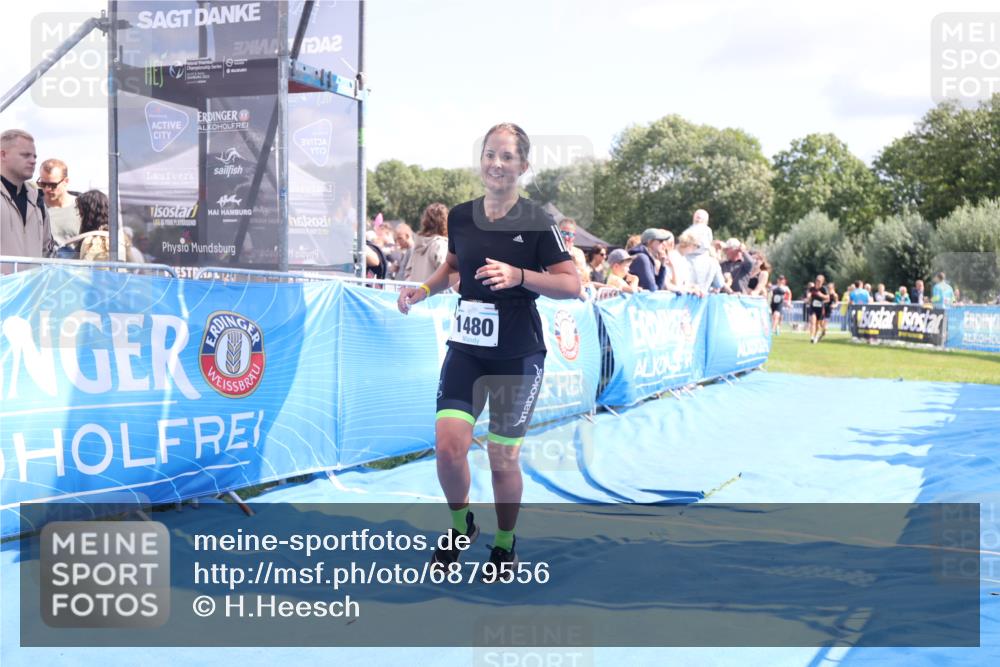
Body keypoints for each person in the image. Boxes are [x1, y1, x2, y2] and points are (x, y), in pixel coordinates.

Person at [396, 123, 579, 578]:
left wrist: (520, 276)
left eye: (506, 157)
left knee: (502, 458)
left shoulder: (537, 220)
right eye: (489, 155)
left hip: (518, 355)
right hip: (468, 349)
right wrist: (423, 289)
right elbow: (452, 267)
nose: (496, 164)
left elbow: (571, 284)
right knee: (448, 448)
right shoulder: (461, 216)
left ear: (523, 166)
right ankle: (462, 527)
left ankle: (504, 542)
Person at [1, 129, 53, 261]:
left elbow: (46, 249)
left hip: (34, 281)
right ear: (3, 155)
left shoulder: (37, 200)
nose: (33, 161)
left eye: (34, 156)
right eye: (25, 155)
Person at [37, 158, 80, 247]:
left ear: (66, 181)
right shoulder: (33, 207)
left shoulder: (83, 208)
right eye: (43, 184)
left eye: (53, 185)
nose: (47, 189)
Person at [408, 202, 450, 285]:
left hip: (417, 294)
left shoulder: (417, 244)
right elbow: (446, 273)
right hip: (435, 294)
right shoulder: (440, 245)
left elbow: (408, 272)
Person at [558, 217, 591, 297]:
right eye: (564, 233)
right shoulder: (551, 250)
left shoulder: (579, 253)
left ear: (574, 236)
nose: (567, 237)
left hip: (580, 289)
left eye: (570, 234)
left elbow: (585, 277)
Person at [807, 275, 830, 344]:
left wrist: (821, 295)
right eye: (817, 280)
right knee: (813, 322)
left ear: (822, 282)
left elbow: (828, 298)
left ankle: (816, 336)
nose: (818, 282)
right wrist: (808, 297)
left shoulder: (824, 289)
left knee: (818, 324)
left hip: (820, 309)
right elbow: (809, 295)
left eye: (820, 281)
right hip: (813, 308)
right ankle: (812, 337)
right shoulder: (812, 288)